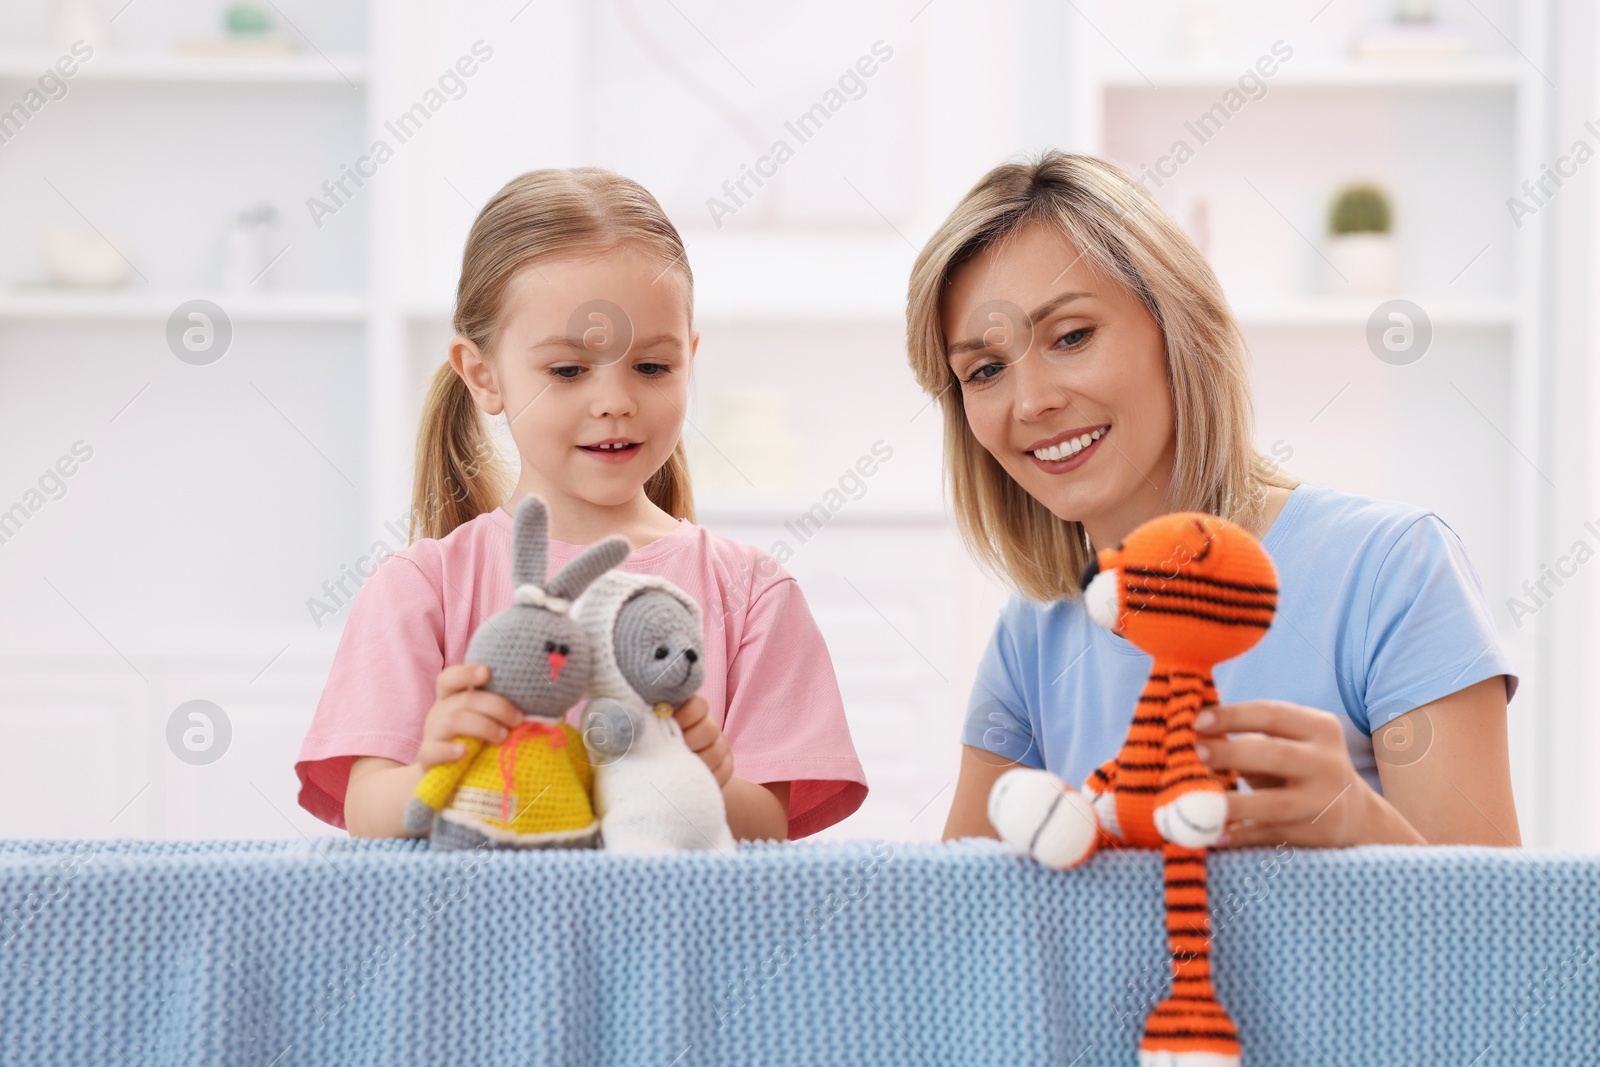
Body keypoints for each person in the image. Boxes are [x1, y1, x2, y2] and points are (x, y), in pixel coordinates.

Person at [912, 150, 1518, 849]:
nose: (1032, 401)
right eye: (984, 370)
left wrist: (1362, 824)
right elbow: (956, 930)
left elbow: (1500, 947)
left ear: (1178, 329)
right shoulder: (1034, 637)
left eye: (1071, 335)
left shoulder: (1392, 570)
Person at [296, 167, 867, 842]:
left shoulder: (753, 596)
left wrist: (708, 782)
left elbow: (767, 826)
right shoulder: (420, 588)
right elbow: (368, 810)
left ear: (689, 357)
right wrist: (433, 761)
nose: (615, 400)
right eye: (568, 370)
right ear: (483, 375)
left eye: (652, 367)